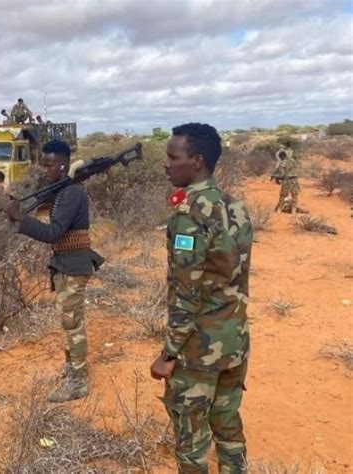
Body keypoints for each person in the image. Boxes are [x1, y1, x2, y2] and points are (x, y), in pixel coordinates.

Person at [150, 123, 253, 473]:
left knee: (191, 442)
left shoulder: (189, 215)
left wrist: (168, 354)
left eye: (172, 157)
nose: (166, 164)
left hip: (199, 349)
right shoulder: (236, 207)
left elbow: (185, 292)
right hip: (235, 340)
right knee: (228, 426)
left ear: (196, 162)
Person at [5, 139, 104, 402]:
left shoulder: (72, 194)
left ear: (62, 164)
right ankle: (72, 368)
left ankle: (78, 382)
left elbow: (53, 232)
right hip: (65, 262)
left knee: (73, 324)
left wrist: (19, 218)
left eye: (49, 164)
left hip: (74, 264)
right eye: (43, 164)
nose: (44, 169)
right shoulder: (62, 190)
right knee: (69, 321)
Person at [272, 147, 300, 215]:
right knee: (295, 196)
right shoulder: (293, 160)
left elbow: (282, 174)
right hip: (295, 180)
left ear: (281, 156)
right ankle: (294, 211)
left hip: (286, 181)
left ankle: (279, 210)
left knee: (283, 196)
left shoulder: (283, 163)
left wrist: (276, 177)